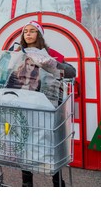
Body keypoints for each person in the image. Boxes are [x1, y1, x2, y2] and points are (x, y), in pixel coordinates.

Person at [15, 20, 76, 187]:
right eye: (25, 31)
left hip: (47, 106)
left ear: (39, 35)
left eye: (32, 31)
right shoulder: (17, 53)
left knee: (51, 143)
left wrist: (51, 63)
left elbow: (71, 71)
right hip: (25, 104)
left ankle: (57, 181)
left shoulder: (50, 53)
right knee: (25, 143)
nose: (28, 33)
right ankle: (27, 183)